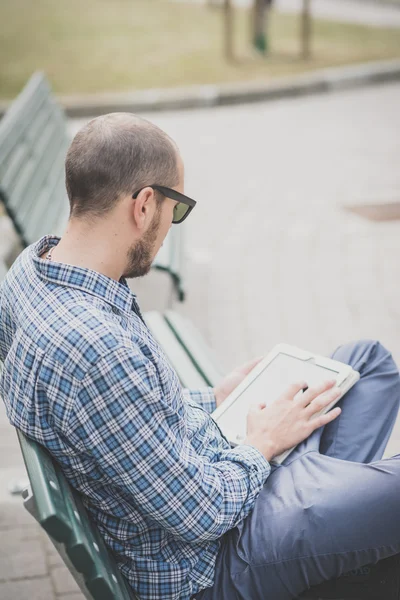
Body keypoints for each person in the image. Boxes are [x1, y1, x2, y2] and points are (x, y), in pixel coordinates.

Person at [0, 113, 400, 600]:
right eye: (178, 207)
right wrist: (262, 445)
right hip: (212, 560)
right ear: (145, 205)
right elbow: (201, 515)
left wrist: (214, 397)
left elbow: (118, 418)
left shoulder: (32, 271)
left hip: (208, 472)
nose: (172, 225)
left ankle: (325, 499)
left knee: (368, 362)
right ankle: (323, 506)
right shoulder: (95, 349)